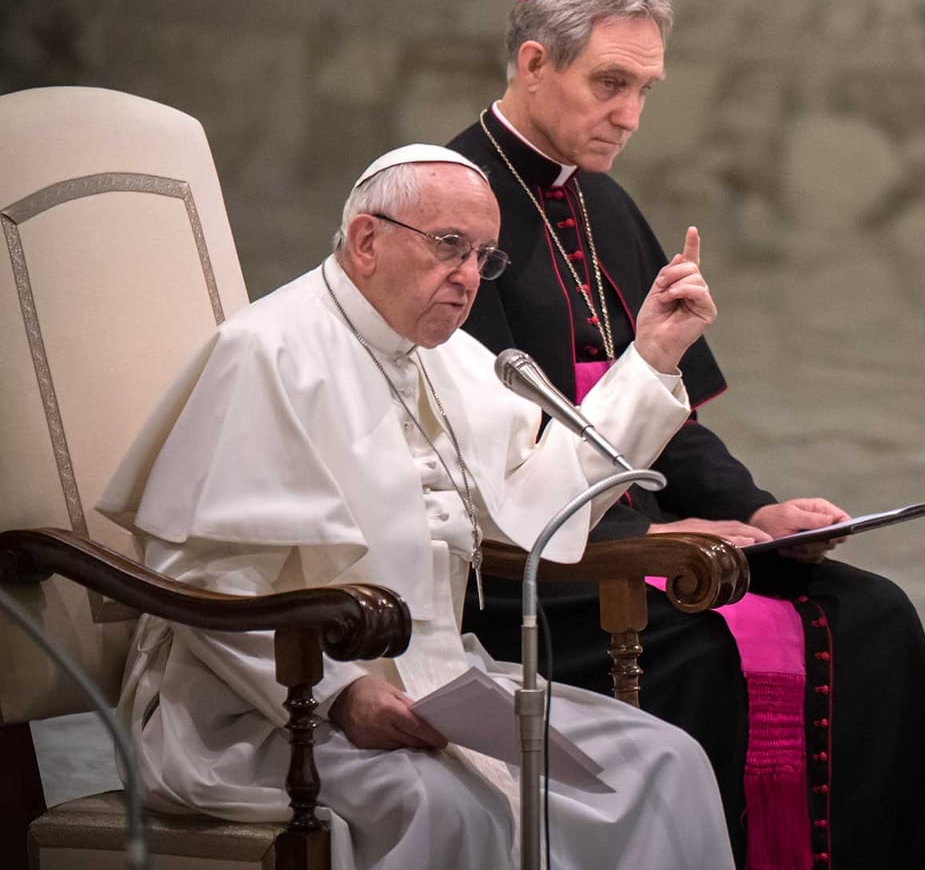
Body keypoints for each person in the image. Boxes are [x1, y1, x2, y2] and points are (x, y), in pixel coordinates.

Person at [450, 0, 925, 868]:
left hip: (648, 539)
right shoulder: (452, 206)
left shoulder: (605, 204)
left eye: (645, 90)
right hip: (537, 570)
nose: (630, 115)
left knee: (876, 615)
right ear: (534, 64)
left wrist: (758, 514)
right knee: (710, 653)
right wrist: (649, 536)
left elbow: (676, 422)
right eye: (610, 84)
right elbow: (475, 449)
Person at [98, 144, 734, 870]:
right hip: (268, 711)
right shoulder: (267, 352)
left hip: (438, 688)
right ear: (366, 240)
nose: (468, 277)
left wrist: (651, 357)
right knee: (455, 810)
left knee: (666, 762)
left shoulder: (453, 358)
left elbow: (543, 507)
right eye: (449, 246)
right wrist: (342, 694)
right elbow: (205, 582)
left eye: (483, 257)